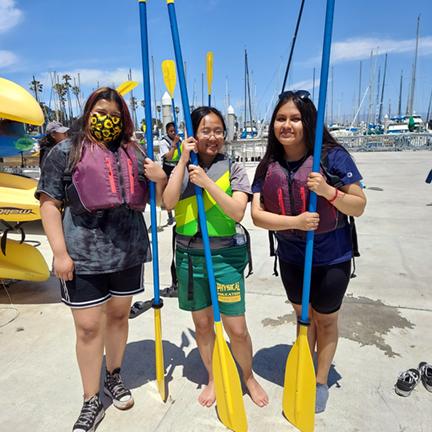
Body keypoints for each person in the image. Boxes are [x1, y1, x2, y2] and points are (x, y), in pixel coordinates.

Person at [36, 87, 167, 432]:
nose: (107, 120)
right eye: (100, 112)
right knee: (89, 328)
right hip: (82, 256)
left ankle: (114, 375)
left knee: (119, 318)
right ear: (88, 112)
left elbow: (165, 199)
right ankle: (90, 399)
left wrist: (162, 176)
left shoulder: (136, 153)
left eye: (114, 114)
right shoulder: (64, 152)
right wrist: (59, 253)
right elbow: (49, 204)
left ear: (123, 118)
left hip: (127, 252)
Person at [251, 90, 366, 413]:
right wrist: (297, 222)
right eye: (281, 118)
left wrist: (329, 192)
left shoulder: (332, 157)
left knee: (325, 320)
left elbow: (358, 206)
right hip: (291, 258)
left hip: (332, 257)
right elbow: (258, 217)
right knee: (304, 318)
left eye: (295, 118)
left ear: (308, 122)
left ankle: (319, 379)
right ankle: (304, 362)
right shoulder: (267, 165)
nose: (287, 125)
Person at [163, 106, 268, 408]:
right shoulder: (180, 167)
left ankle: (247, 375)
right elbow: (167, 203)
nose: (213, 137)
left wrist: (207, 183)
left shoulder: (233, 168)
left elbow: (237, 212)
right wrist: (182, 161)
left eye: (218, 130)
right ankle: (213, 377)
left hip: (224, 258)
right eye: (206, 130)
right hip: (189, 259)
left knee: (236, 328)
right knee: (204, 325)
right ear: (193, 134)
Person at [159, 121, 180, 225]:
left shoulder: (180, 141)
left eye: (174, 130)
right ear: (167, 132)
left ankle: (179, 212)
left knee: (179, 191)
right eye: (171, 131)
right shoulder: (164, 142)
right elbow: (169, 156)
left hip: (177, 167)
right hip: (167, 168)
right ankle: (170, 215)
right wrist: (174, 145)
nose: (173, 132)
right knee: (167, 192)